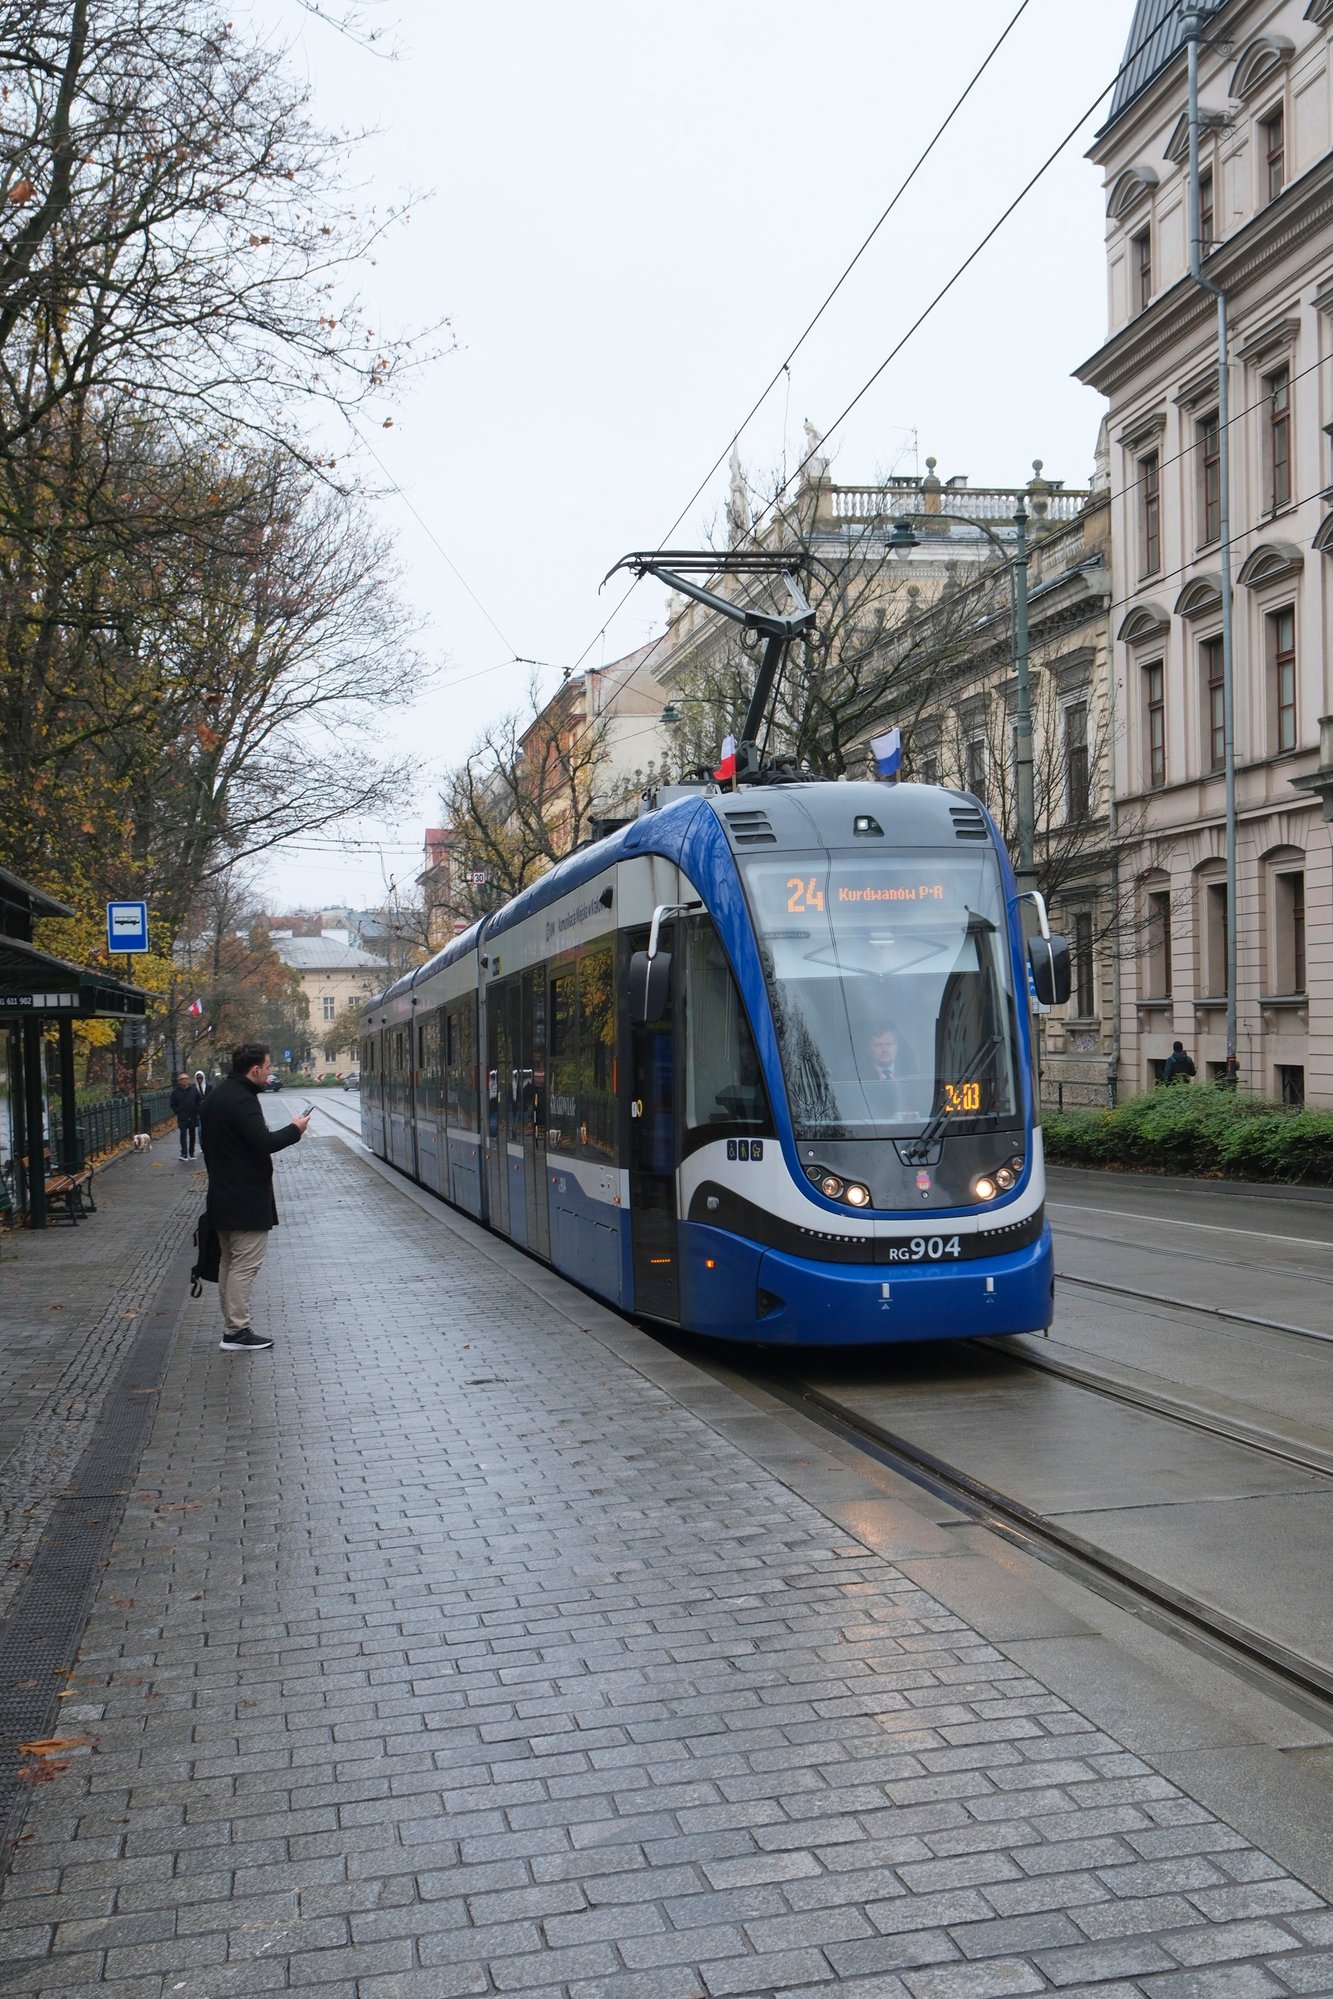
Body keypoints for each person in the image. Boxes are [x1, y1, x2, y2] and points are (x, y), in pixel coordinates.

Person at [198, 1042, 310, 1353]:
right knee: (245, 1266)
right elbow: (263, 1142)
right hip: (245, 1197)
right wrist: (295, 1129)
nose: (270, 1072)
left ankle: (232, 1326)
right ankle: (237, 1330)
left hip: (222, 1193)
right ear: (255, 1069)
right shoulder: (242, 1100)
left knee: (230, 1263)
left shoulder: (217, 1097)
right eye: (268, 1067)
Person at [169, 1072, 201, 1160]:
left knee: (192, 1135)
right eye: (182, 1079)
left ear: (188, 1080)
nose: (184, 1081)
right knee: (183, 1134)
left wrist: (196, 1111)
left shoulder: (194, 1090)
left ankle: (191, 1153)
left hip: (193, 1116)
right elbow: (173, 1104)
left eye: (186, 1079)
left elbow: (198, 1101)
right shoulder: (175, 1092)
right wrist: (178, 1112)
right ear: (179, 1081)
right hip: (182, 1116)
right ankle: (184, 1153)